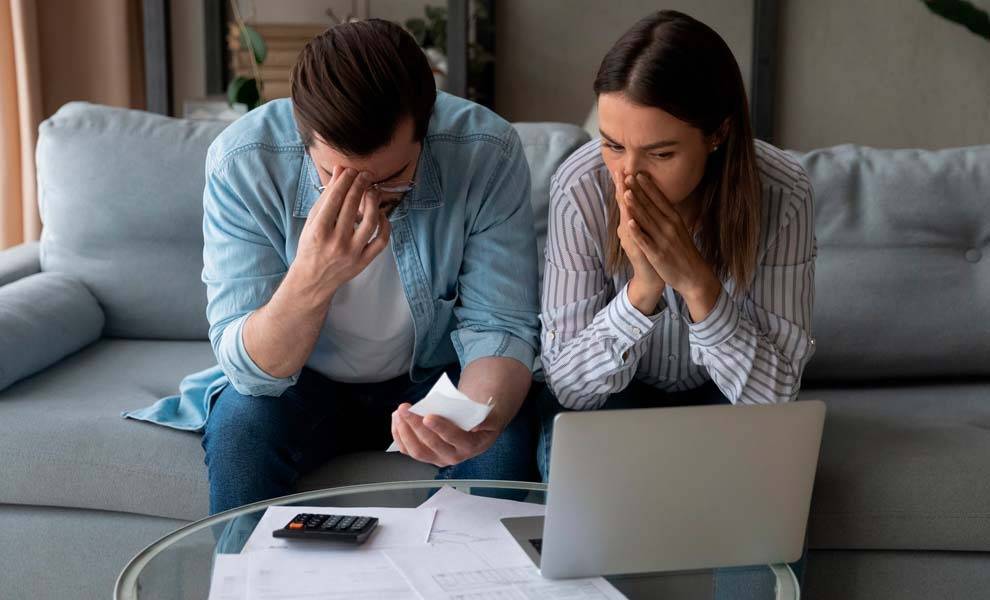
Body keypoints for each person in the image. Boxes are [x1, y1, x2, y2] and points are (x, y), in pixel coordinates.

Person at [124, 19, 540, 515]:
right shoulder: (243, 161)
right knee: (241, 431)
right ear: (304, 139)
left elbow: (501, 327)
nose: (364, 199)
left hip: (436, 375)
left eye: (392, 179)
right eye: (334, 176)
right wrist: (312, 276)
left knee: (502, 445)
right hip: (302, 383)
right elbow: (250, 371)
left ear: (425, 133)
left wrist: (476, 420)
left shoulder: (485, 152)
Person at [539, 11, 816, 596]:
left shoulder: (782, 192)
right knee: (586, 499)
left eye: (660, 154)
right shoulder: (581, 188)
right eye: (613, 145)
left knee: (764, 514)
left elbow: (774, 399)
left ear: (716, 134)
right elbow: (567, 385)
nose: (629, 177)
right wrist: (640, 294)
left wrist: (697, 287)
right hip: (616, 400)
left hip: (731, 403)